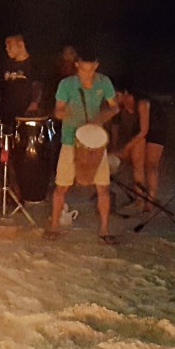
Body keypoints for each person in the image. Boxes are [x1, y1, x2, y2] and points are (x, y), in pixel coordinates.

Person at [47, 51, 119, 243]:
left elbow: (115, 107)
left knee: (103, 187)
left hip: (95, 141)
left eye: (91, 69)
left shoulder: (104, 82)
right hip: (71, 139)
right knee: (61, 186)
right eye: (83, 69)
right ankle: (54, 226)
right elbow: (58, 109)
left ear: (96, 65)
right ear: (77, 65)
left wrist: (101, 118)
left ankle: (104, 229)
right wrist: (63, 113)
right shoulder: (67, 84)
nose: (87, 74)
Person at [108, 84, 166, 213]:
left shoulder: (142, 102)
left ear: (124, 93)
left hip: (157, 127)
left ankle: (150, 199)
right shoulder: (121, 107)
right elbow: (116, 126)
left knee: (151, 165)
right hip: (139, 129)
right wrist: (116, 147)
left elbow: (144, 130)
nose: (114, 99)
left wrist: (127, 148)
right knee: (137, 163)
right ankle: (139, 199)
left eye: (116, 96)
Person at [0, 34, 44, 128]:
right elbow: (0, 89)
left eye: (9, 45)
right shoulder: (6, 65)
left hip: (24, 116)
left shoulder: (34, 65)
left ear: (21, 45)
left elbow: (38, 85)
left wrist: (34, 104)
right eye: (6, 45)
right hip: (6, 115)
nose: (7, 48)